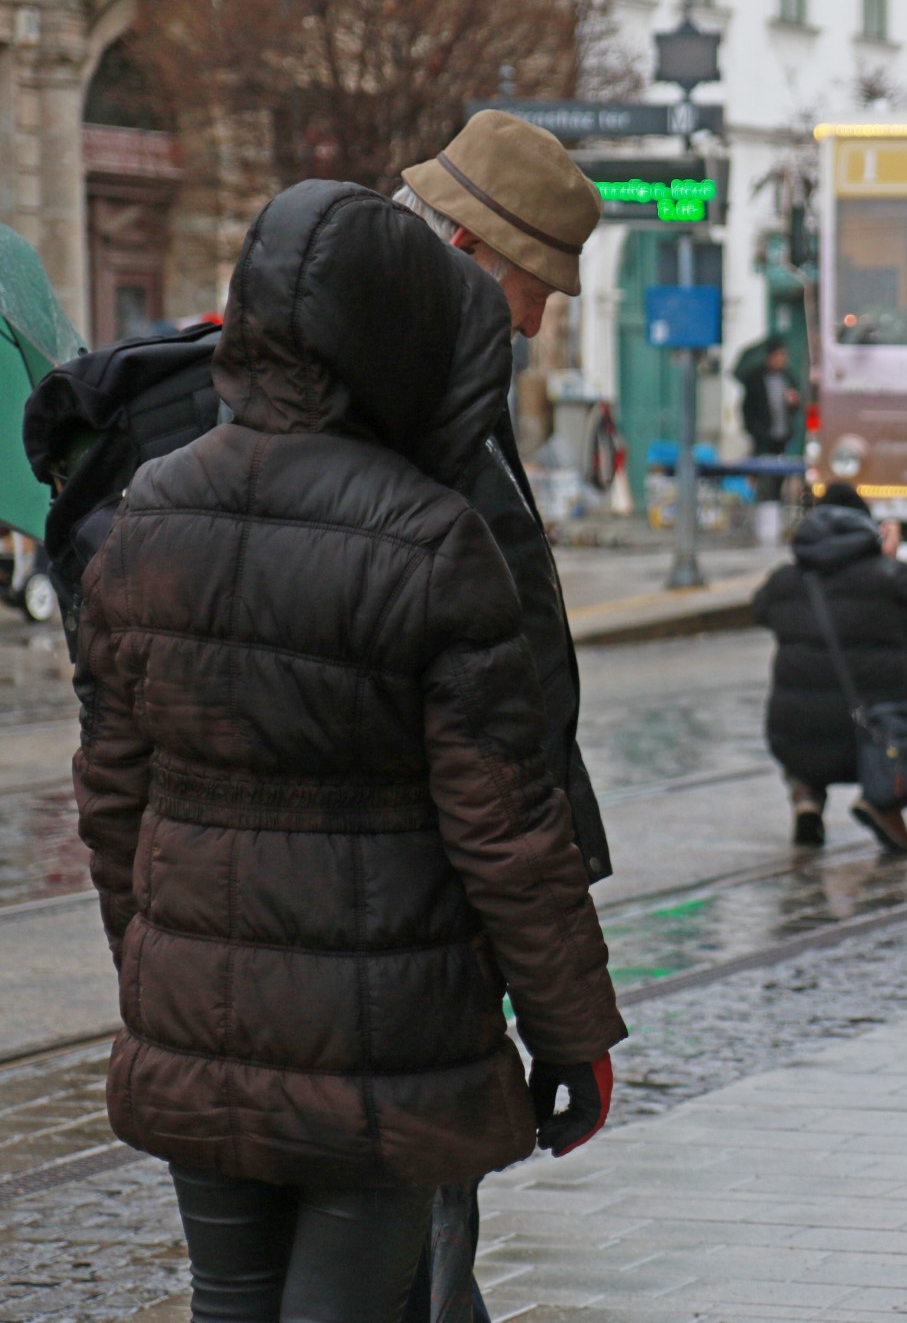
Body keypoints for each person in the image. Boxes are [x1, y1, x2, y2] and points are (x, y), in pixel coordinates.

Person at [69, 181, 626, 1320]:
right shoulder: (430, 540)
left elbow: (113, 790)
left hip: (196, 1017)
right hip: (386, 1039)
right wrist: (570, 1034)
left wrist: (157, 964)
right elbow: (507, 830)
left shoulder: (148, 511)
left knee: (229, 1303)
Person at [395, 112, 615, 1322]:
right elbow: (490, 745)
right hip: (411, 930)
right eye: (535, 285)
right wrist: (563, 1012)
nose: (535, 321)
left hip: (390, 927)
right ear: (468, 248)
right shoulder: (412, 411)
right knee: (413, 1258)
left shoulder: (445, 393)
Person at [752, 481, 907, 854]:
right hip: (874, 730)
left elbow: (760, 611)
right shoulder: (888, 577)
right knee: (902, 743)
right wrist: (892, 561)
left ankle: (806, 797)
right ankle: (880, 802)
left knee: (805, 746)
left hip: (794, 730)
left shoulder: (784, 582)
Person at [734, 338, 803, 509]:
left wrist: (793, 403)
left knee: (779, 476)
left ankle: (775, 507)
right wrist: (754, 431)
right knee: (764, 477)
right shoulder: (756, 379)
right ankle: (765, 507)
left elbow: (795, 409)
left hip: (782, 436)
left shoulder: (788, 378)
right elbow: (747, 409)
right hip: (763, 438)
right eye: (778, 355)